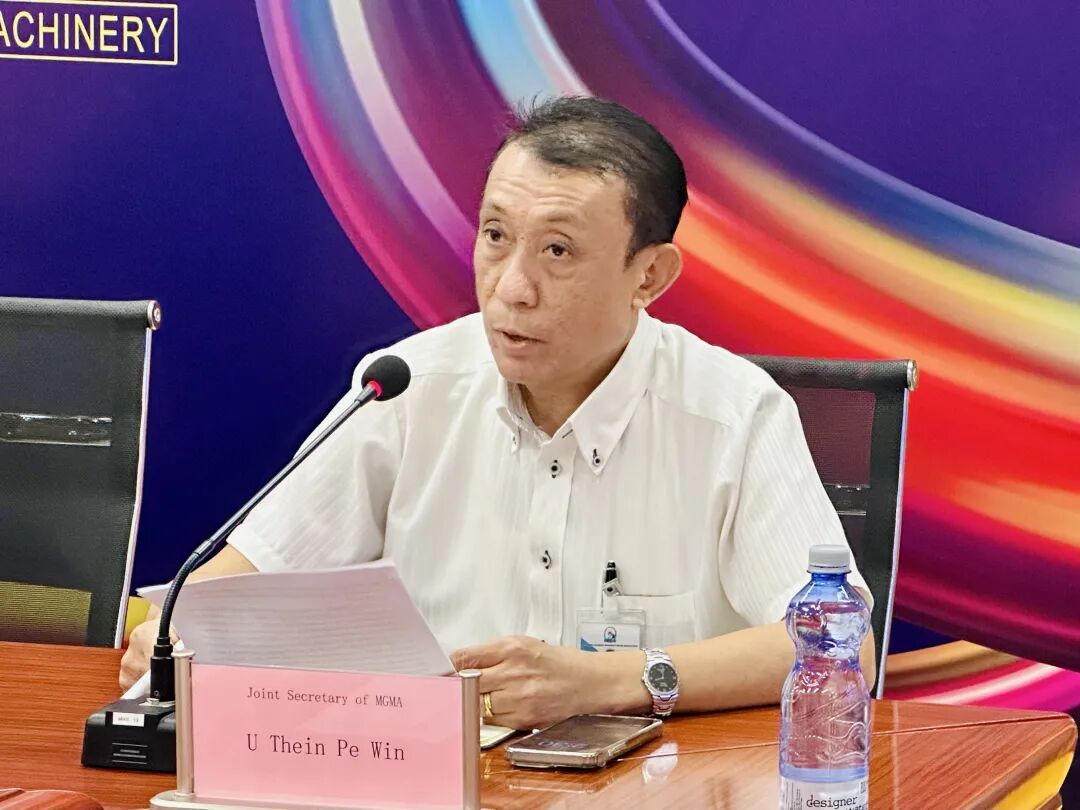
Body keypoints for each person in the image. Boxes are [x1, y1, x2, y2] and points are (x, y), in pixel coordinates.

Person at [121, 96, 873, 729]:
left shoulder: (733, 415)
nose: (512, 288)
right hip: (424, 778)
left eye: (558, 252)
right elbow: (238, 581)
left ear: (649, 275)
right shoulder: (407, 387)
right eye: (495, 237)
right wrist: (178, 631)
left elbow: (842, 648)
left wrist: (612, 680)